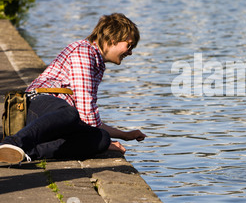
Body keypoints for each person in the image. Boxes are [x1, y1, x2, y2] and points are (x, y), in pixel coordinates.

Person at [0, 13, 147, 164]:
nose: (130, 52)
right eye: (129, 45)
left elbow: (89, 120)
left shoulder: (97, 64)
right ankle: (13, 142)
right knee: (70, 113)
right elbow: (86, 113)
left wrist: (125, 135)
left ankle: (25, 153)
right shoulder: (84, 52)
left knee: (101, 139)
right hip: (37, 104)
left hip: (57, 117)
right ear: (112, 39)